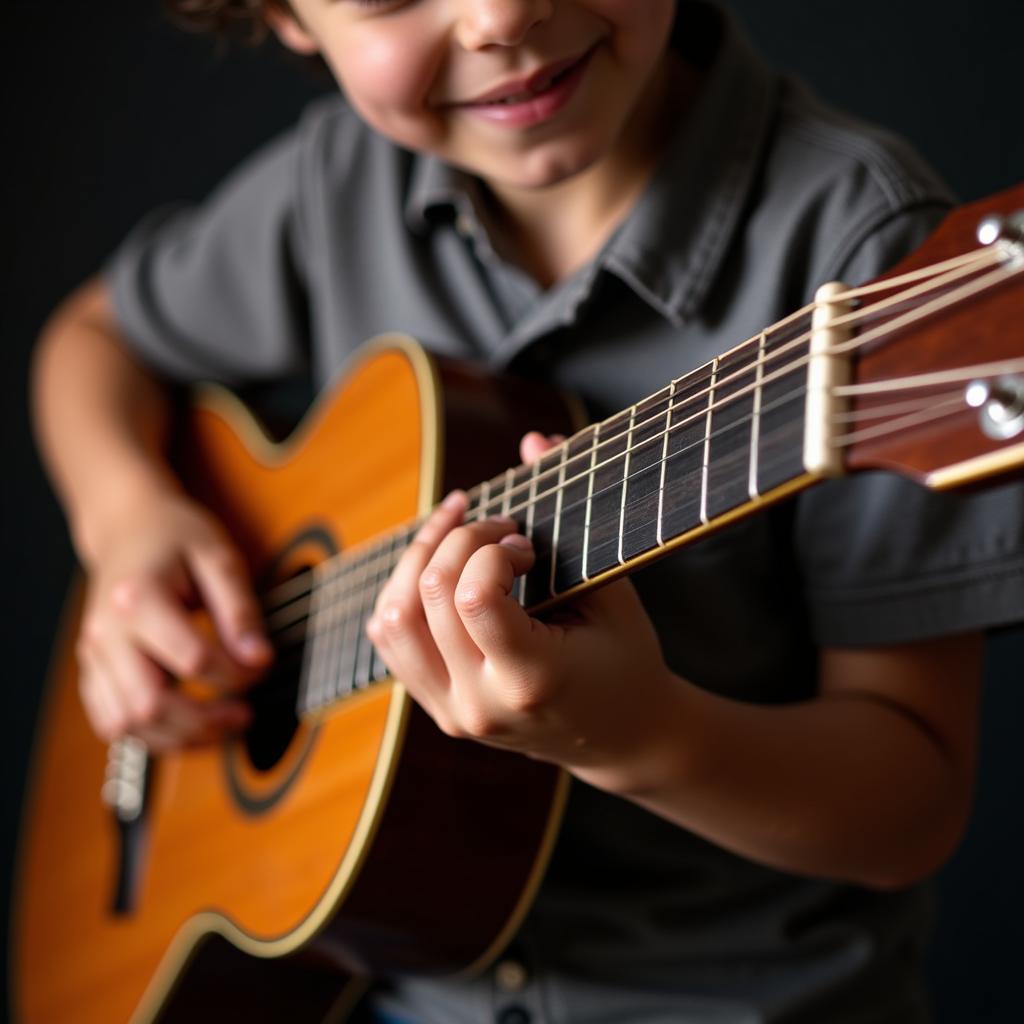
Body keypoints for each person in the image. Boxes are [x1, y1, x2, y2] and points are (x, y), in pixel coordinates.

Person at [30, 1, 1024, 1021]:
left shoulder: (864, 250)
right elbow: (92, 340)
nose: (502, 14)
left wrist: (640, 736)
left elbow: (910, 805)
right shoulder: (334, 191)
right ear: (284, 17)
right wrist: (127, 523)